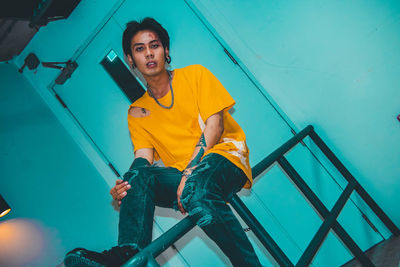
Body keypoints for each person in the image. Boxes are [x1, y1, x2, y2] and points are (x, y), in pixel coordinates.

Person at [64, 17, 261, 267]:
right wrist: (126, 187)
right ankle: (128, 253)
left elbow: (215, 126)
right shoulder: (136, 111)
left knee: (196, 191)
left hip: (225, 157)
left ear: (165, 51)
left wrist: (190, 172)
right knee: (137, 177)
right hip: (184, 178)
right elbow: (143, 157)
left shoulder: (195, 75)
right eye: (139, 48)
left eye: (154, 45)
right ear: (130, 59)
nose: (148, 53)